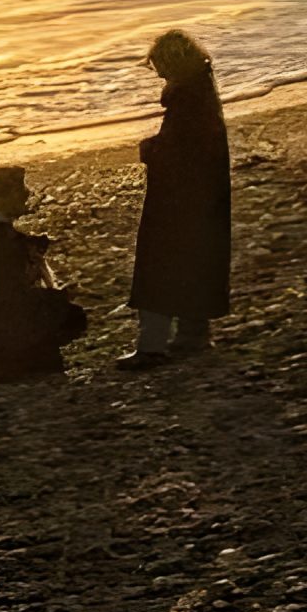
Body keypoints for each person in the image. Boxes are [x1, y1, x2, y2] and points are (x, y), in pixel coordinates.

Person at [121, 27, 231, 370]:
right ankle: (193, 335)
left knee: (158, 267)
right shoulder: (202, 94)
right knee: (196, 262)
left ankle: (152, 346)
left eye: (160, 67)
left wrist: (150, 150)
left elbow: (179, 152)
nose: (159, 75)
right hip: (205, 197)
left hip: (177, 199)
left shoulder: (186, 101)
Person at [0, 163, 87, 387]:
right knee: (68, 312)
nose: (27, 194)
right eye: (20, 190)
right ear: (2, 199)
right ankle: (16, 359)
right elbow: (8, 297)